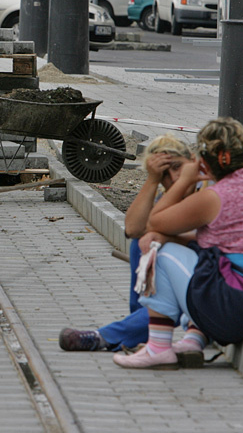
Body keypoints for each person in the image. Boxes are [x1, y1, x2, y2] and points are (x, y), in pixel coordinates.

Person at [112, 117, 243, 369]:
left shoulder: (215, 196)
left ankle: (158, 348)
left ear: (202, 161)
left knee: (154, 244)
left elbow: (153, 224)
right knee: (202, 254)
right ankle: (193, 339)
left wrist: (186, 180)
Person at [59, 134, 195, 352]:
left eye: (178, 167)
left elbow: (206, 240)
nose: (175, 178)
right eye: (165, 175)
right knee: (141, 240)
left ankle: (105, 336)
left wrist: (167, 237)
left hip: (215, 279)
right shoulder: (169, 194)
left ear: (193, 161)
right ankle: (139, 320)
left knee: (162, 253)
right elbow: (133, 229)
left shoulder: (205, 190)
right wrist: (152, 180)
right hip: (191, 280)